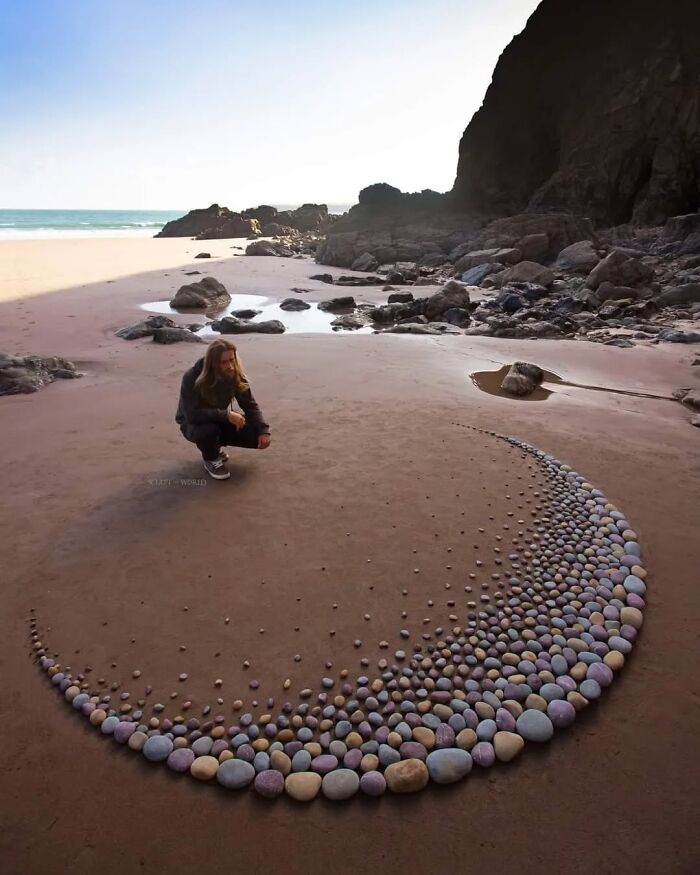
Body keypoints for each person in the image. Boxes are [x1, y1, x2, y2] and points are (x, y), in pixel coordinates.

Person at [175, 338, 271, 480]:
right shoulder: (192, 377)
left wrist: (263, 430)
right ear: (212, 363)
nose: (230, 366)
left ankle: (214, 444)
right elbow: (192, 415)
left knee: (255, 434)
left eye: (232, 360)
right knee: (208, 431)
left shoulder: (234, 374)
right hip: (192, 424)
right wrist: (226, 415)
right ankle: (211, 459)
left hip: (218, 419)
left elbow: (250, 405)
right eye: (224, 362)